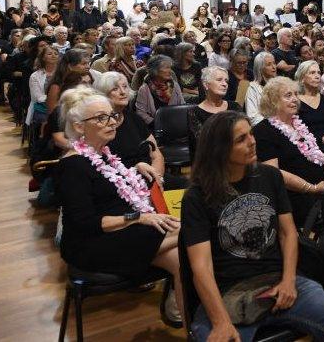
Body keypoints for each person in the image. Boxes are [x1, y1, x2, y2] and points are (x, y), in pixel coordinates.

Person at [181, 110, 324, 342]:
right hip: (229, 291)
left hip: (279, 278)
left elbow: (288, 234)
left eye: (250, 134)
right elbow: (201, 267)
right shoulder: (197, 197)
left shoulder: (269, 176)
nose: (252, 142)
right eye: (241, 139)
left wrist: (288, 281)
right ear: (219, 149)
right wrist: (220, 322)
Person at [54, 87, 182, 322]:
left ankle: (182, 317)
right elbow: (85, 222)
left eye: (111, 116)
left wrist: (134, 169)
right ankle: (194, 319)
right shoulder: (71, 167)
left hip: (121, 229)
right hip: (91, 243)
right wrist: (139, 218)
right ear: (80, 127)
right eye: (101, 118)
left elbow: (106, 187)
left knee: (181, 258)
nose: (112, 122)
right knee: (190, 232)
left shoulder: (103, 153)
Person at [253, 77, 324, 228]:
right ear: (273, 101)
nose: (295, 99)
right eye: (288, 95)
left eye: (295, 94)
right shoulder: (263, 130)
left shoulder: (299, 124)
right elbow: (274, 172)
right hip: (296, 198)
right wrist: (312, 188)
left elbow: (320, 154)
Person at [94, 71, 167, 178]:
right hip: (123, 184)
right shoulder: (98, 127)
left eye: (125, 86)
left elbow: (156, 154)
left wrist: (156, 178)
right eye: (115, 89)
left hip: (152, 176)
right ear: (103, 94)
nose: (123, 92)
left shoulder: (134, 118)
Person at [188, 67, 243, 159]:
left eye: (226, 81)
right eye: (219, 80)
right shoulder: (194, 112)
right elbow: (202, 144)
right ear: (206, 84)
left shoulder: (235, 107)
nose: (224, 84)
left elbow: (244, 134)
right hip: (210, 162)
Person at [295, 60, 324, 162]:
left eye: (318, 73)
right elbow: (297, 132)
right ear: (302, 78)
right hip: (312, 147)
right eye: (312, 73)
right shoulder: (296, 102)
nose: (317, 76)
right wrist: (320, 139)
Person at [246, 52, 277, 126]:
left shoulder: (280, 84)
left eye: (274, 63)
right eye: (269, 64)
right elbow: (252, 117)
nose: (274, 67)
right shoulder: (252, 88)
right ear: (260, 68)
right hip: (266, 128)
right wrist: (275, 124)